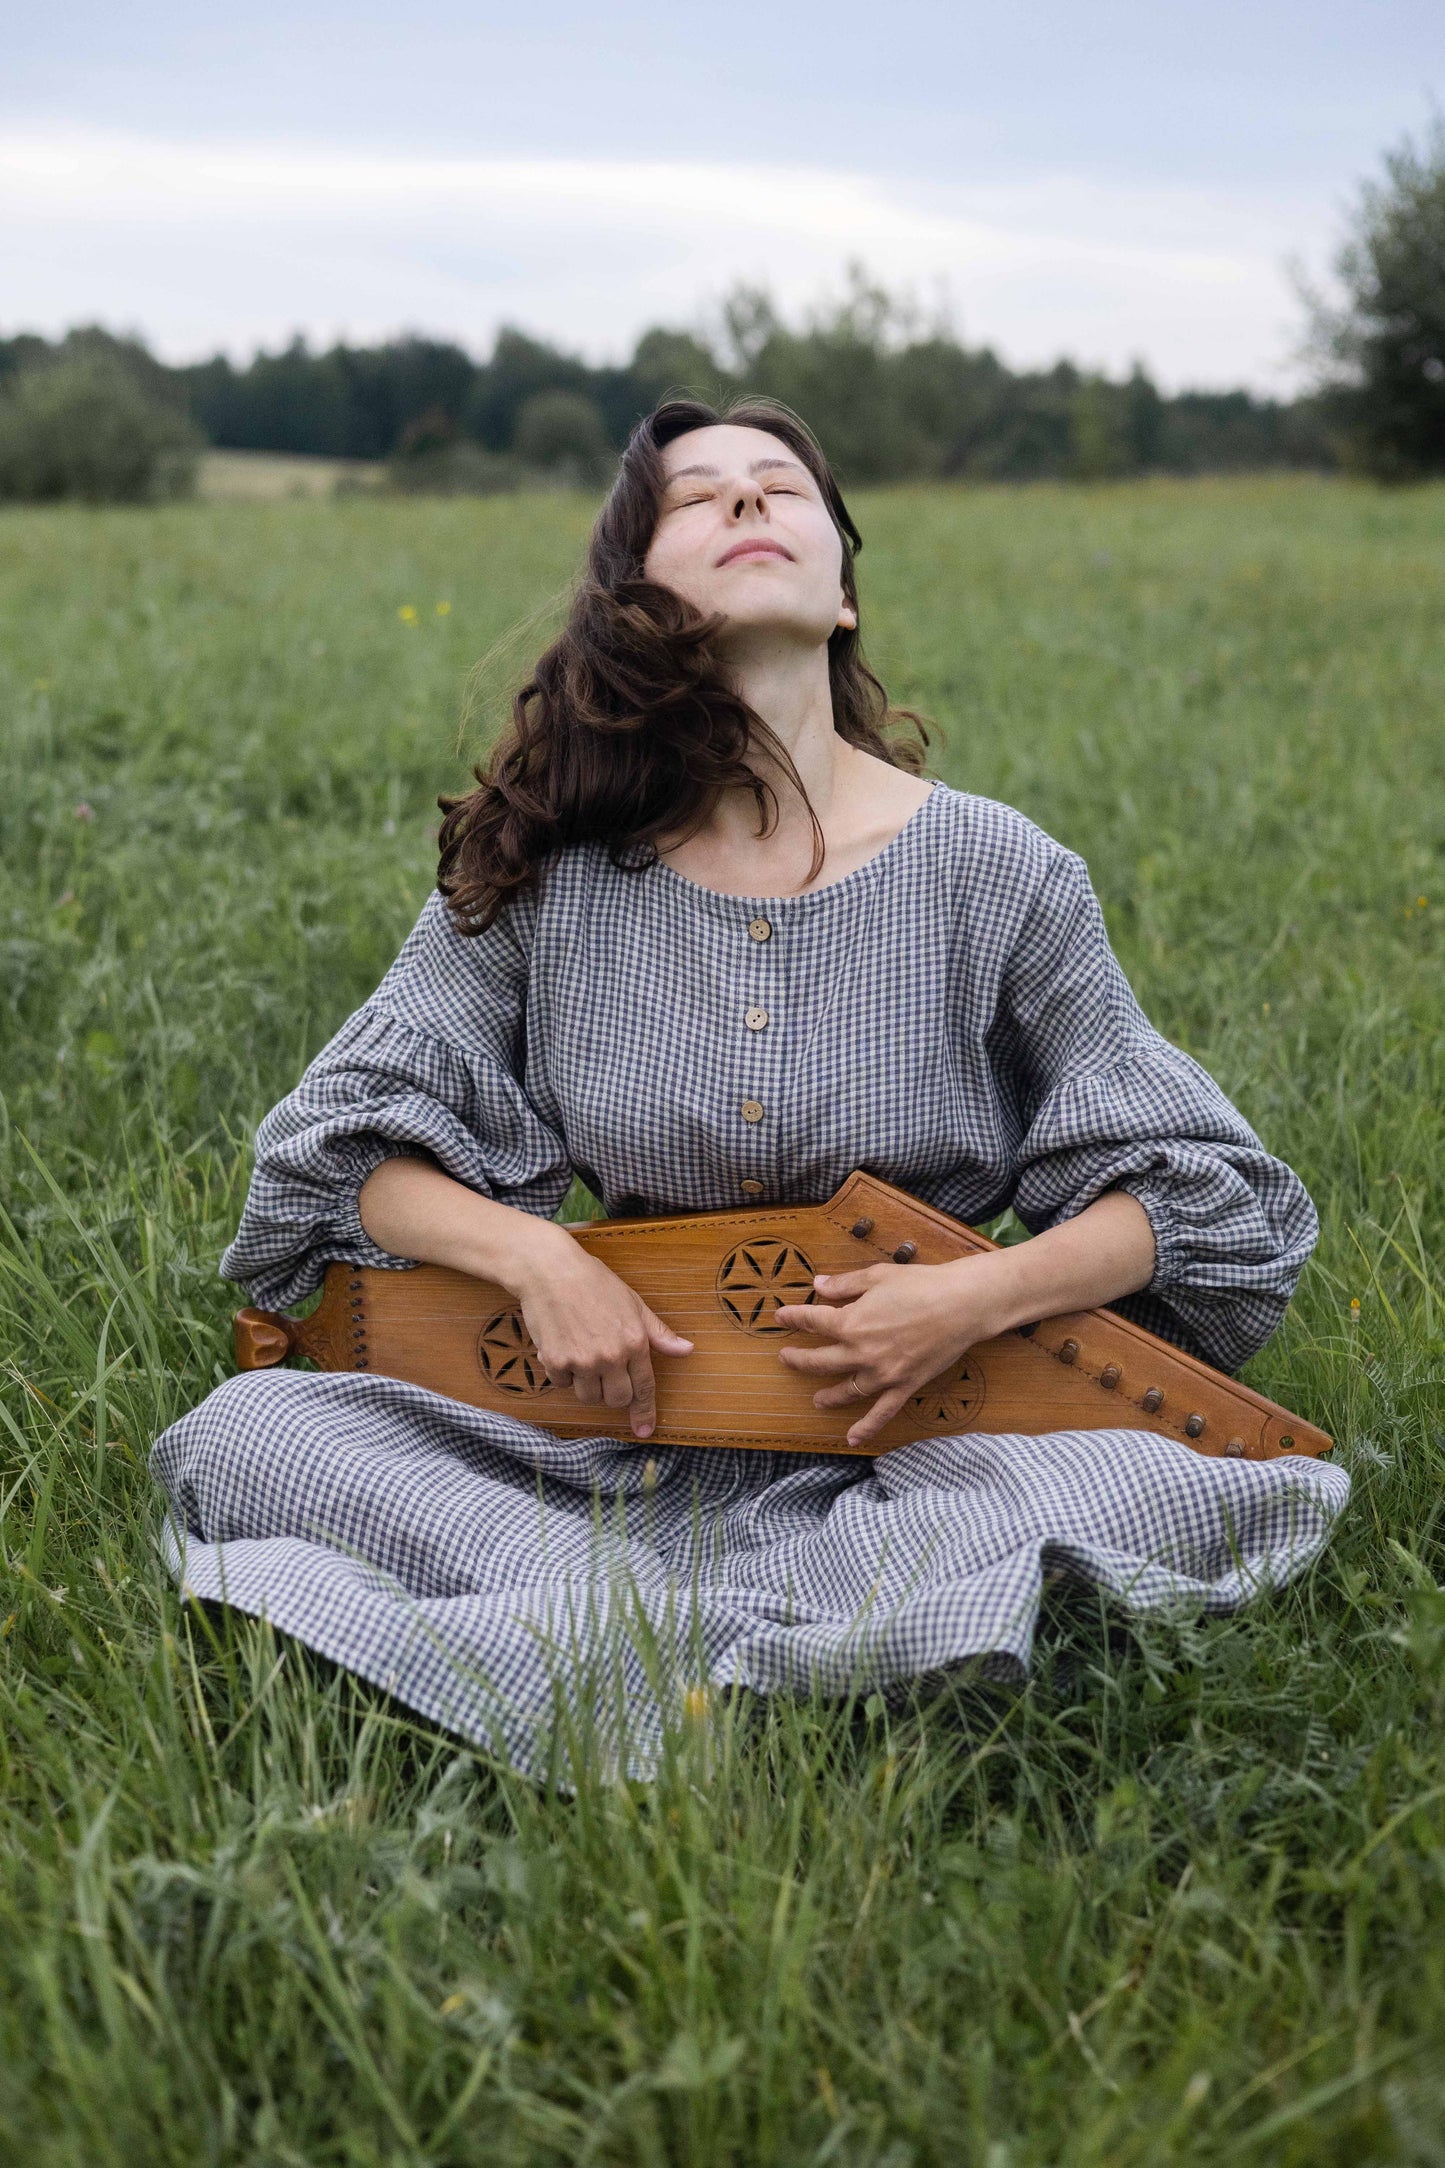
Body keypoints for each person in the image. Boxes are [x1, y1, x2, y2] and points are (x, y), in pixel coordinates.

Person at [151, 397, 1348, 1775]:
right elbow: (341, 1151)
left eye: (781, 488)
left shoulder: (997, 871)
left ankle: (613, 1648)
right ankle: (796, 1654)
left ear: (840, 591)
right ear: (635, 595)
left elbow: (1199, 1197)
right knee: (247, 1434)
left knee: (1132, 1474)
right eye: (693, 496)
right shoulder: (557, 872)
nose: (743, 506)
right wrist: (536, 1261)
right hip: (612, 1433)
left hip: (926, 1438)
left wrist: (971, 1296)